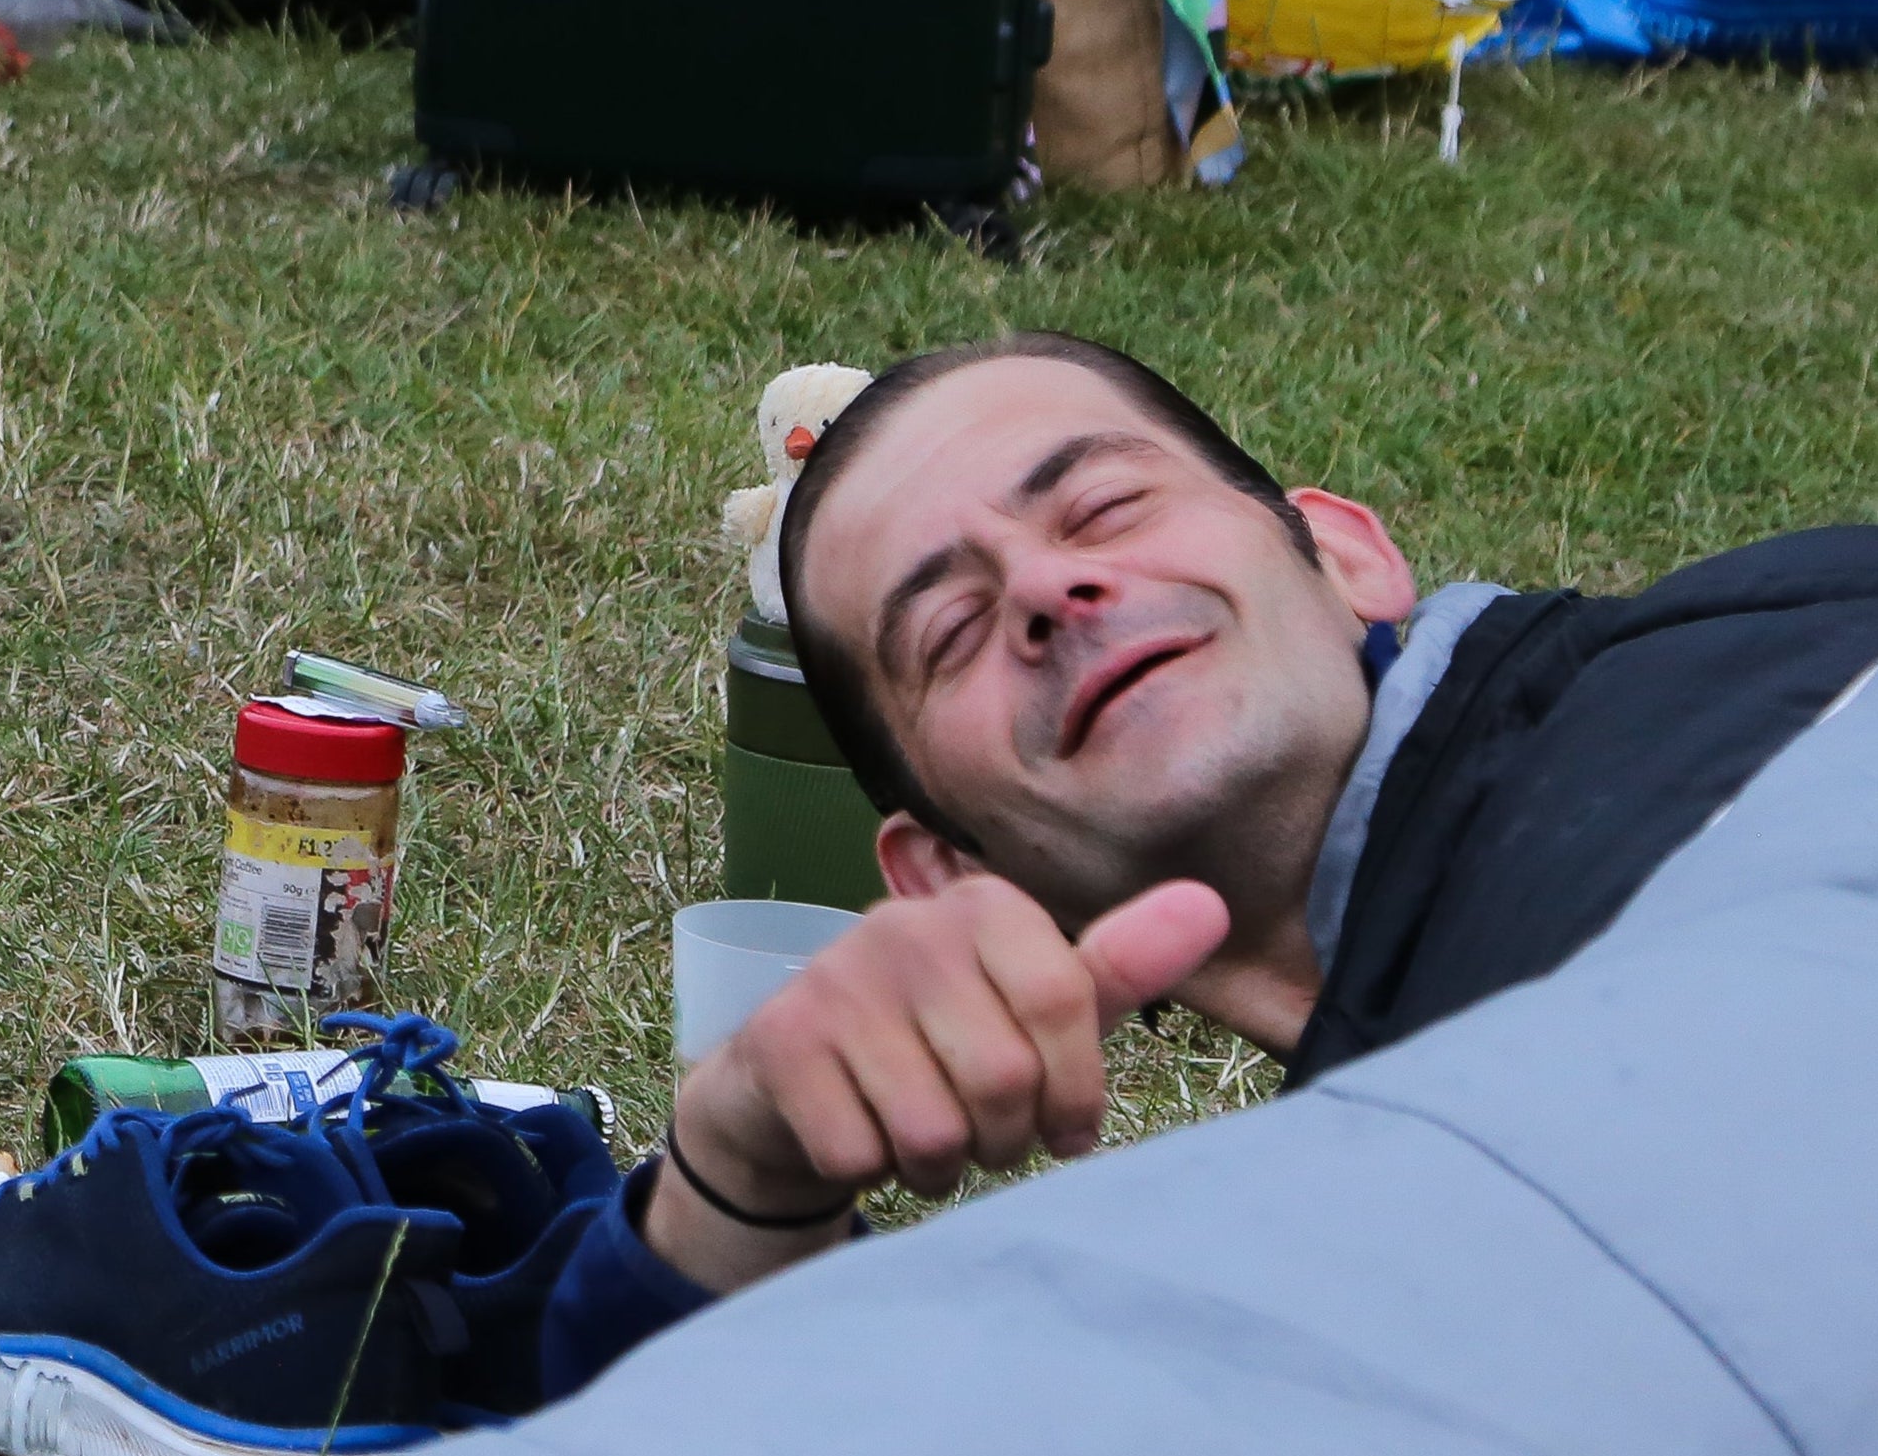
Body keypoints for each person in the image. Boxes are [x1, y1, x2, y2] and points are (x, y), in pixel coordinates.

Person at [536, 329, 1878, 1392]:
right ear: (948, 871)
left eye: (1104, 507)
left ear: (1344, 552)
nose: (1048, 592)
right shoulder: (1336, 1237)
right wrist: (743, 1162)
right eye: (946, 628)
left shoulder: (1775, 645)